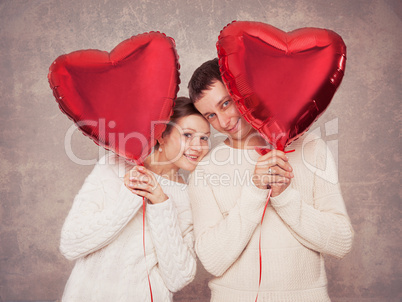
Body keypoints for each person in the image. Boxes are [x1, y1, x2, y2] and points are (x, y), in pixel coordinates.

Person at [187, 58, 354, 301]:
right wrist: (254, 192)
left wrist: (285, 197)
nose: (224, 122)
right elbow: (213, 260)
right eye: (211, 115)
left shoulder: (311, 148)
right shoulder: (205, 170)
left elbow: (341, 242)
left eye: (226, 103)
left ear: (243, 91)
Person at [59, 97, 211, 302]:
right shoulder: (114, 166)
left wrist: (162, 204)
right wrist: (130, 195)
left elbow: (178, 278)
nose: (198, 146)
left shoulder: (190, 196)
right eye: (188, 135)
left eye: (204, 138)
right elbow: (71, 244)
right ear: (162, 135)